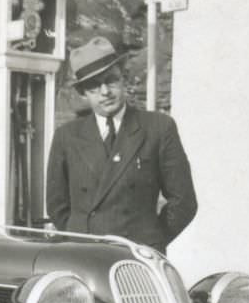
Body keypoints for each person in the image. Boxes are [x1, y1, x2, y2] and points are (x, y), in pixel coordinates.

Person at [45, 36, 197, 254]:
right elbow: (57, 206)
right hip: (85, 256)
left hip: (138, 255)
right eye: (94, 87)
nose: (105, 92)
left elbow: (184, 201)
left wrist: (151, 240)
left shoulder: (158, 128)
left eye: (111, 80)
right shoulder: (66, 137)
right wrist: (79, 238)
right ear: (83, 94)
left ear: (124, 78)